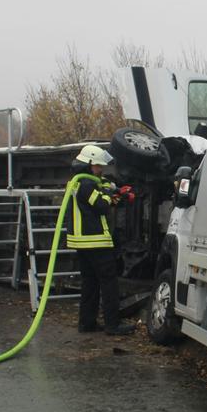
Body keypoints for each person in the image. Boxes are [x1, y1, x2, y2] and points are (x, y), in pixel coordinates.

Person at [67, 144, 135, 336]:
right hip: (95, 241)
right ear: (89, 164)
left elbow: (101, 194)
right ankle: (113, 325)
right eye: (97, 166)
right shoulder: (87, 184)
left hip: (83, 243)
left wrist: (113, 190)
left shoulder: (77, 181)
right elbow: (101, 205)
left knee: (90, 283)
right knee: (109, 283)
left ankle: (86, 323)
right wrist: (112, 197)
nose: (100, 169)